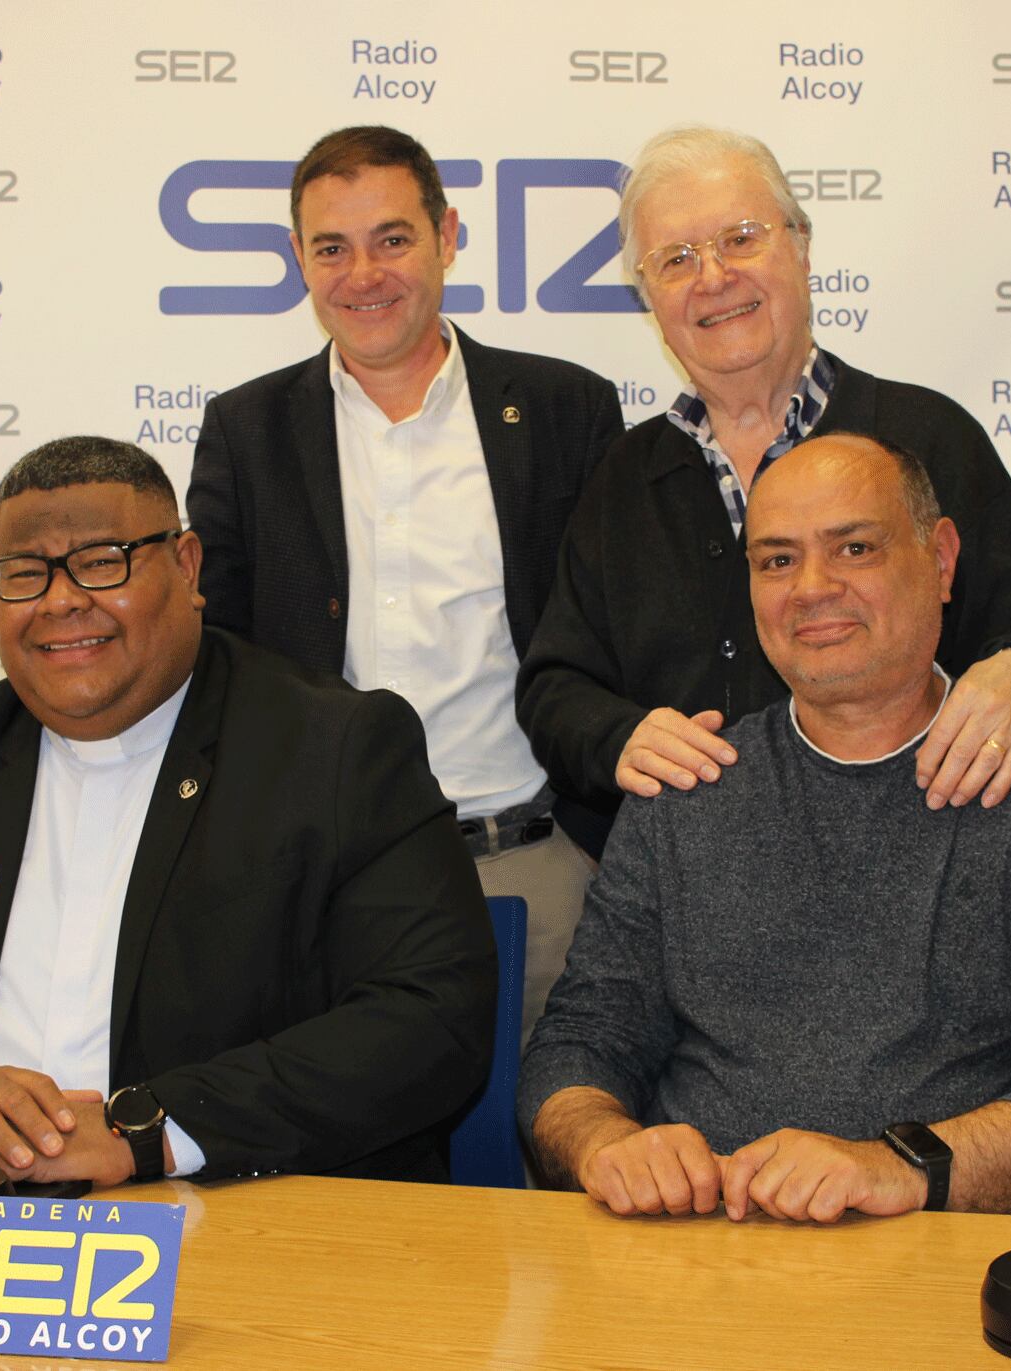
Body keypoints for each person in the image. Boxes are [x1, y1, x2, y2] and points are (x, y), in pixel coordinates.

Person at [0, 437, 495, 1186]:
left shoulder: (335, 749)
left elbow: (431, 1019)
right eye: (25, 573)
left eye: (102, 562)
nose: (61, 601)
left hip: (233, 1223)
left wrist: (149, 1130)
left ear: (188, 566)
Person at [519, 433, 1011, 1220]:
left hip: (949, 1271)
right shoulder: (687, 781)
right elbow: (579, 1044)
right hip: (704, 1267)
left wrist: (901, 1167)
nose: (813, 588)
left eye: (855, 547)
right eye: (777, 560)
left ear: (940, 560)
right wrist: (605, 1142)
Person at [517, 126, 1011, 857]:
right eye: (676, 259)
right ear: (650, 301)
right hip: (685, 901)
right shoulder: (625, 477)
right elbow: (555, 689)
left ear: (800, 246)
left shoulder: (925, 437)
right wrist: (617, 739)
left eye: (740, 238)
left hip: (910, 884)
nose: (712, 277)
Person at [188, 125, 624, 1038]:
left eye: (392, 238)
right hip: (327, 891)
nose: (364, 274)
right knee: (340, 1173)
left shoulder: (564, 409)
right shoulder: (247, 430)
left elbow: (615, 636)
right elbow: (214, 662)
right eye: (331, 248)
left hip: (536, 871)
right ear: (298, 261)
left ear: (448, 236)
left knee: (548, 1157)